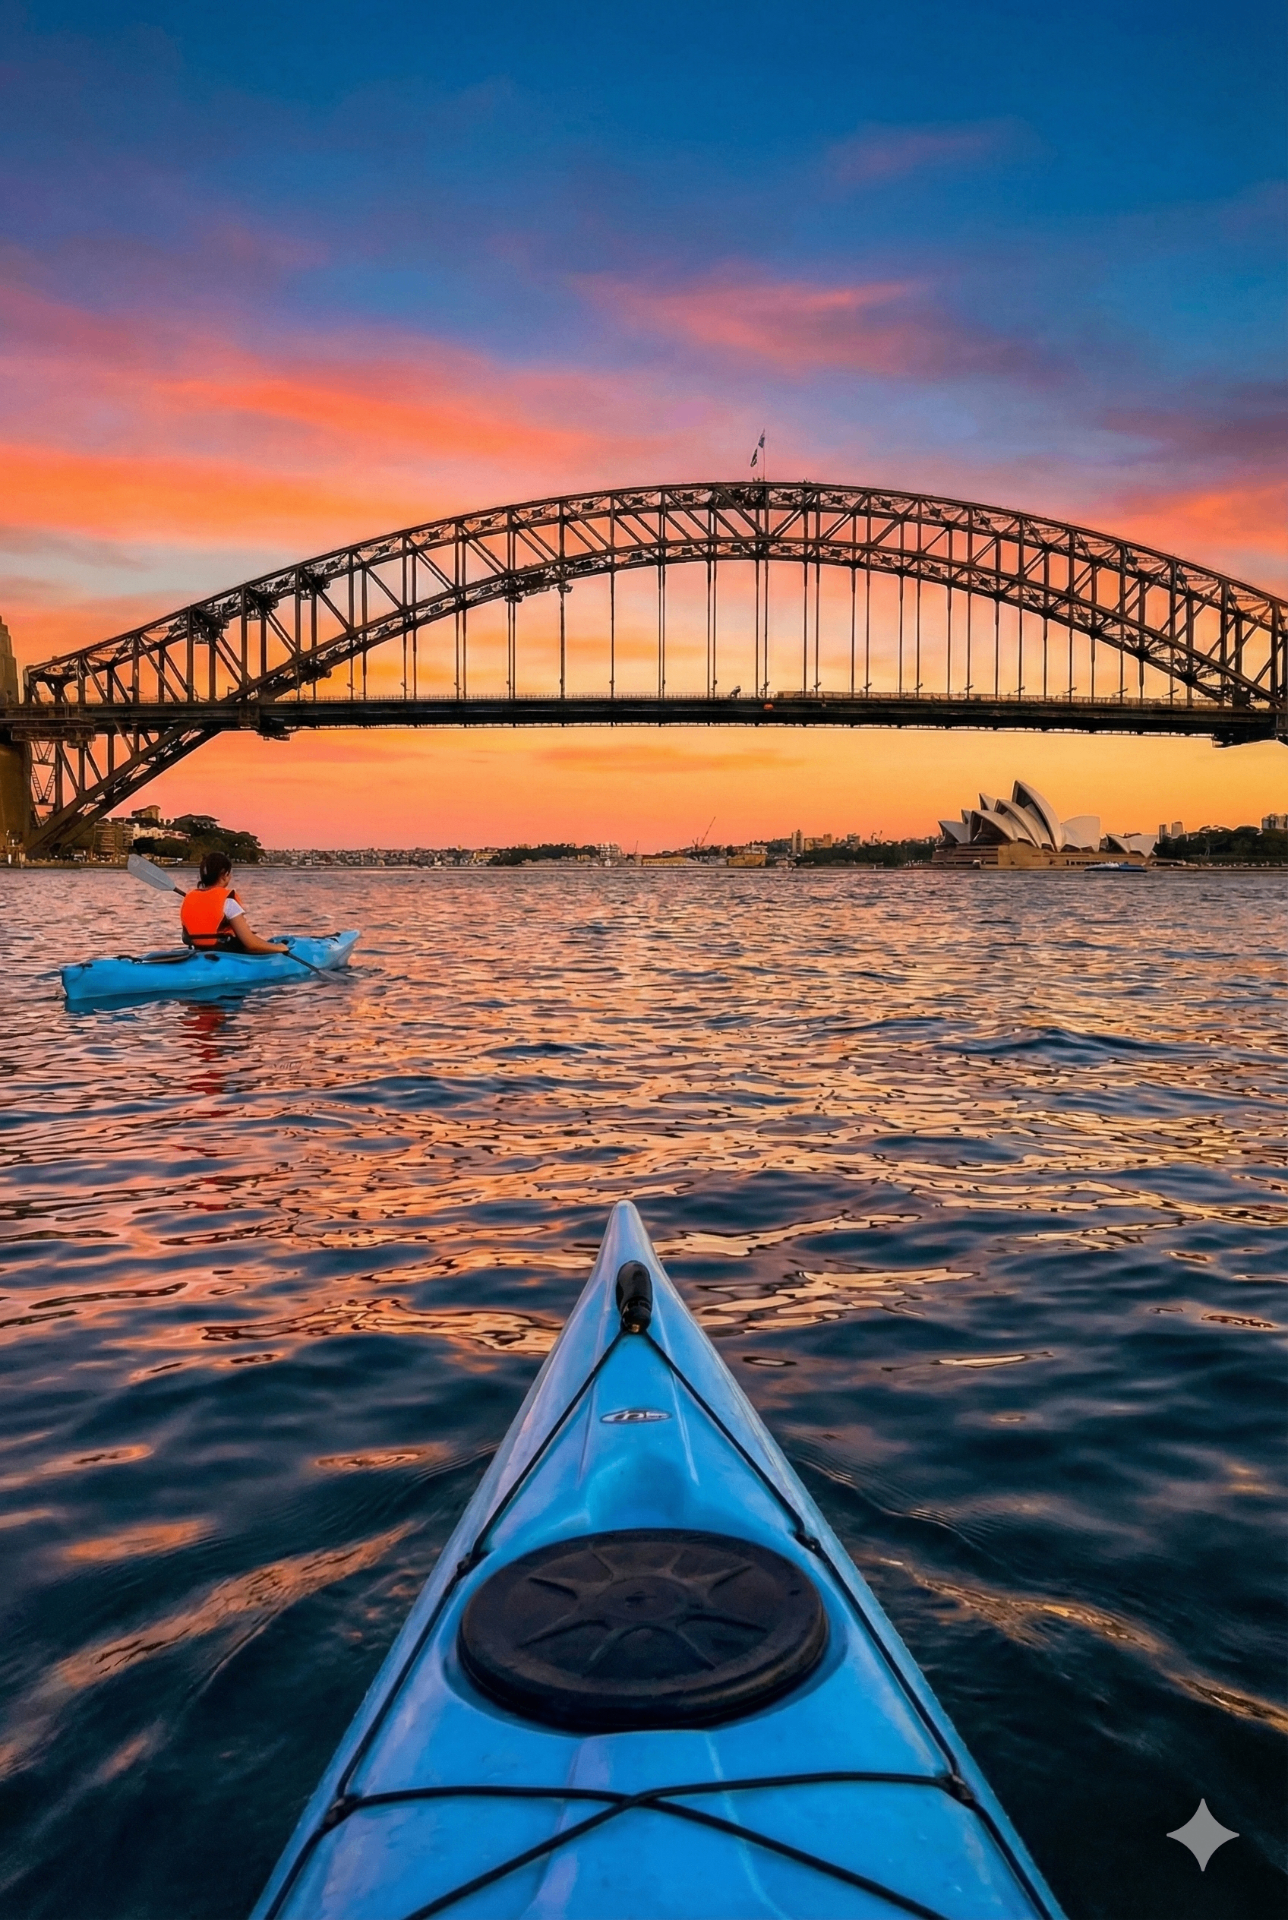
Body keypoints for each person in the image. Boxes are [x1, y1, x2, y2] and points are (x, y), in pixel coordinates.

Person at [179, 851, 288, 954]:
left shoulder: (189, 898)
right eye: (229, 873)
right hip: (225, 953)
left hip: (198, 951)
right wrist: (279, 948)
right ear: (224, 875)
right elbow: (251, 944)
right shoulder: (228, 903)